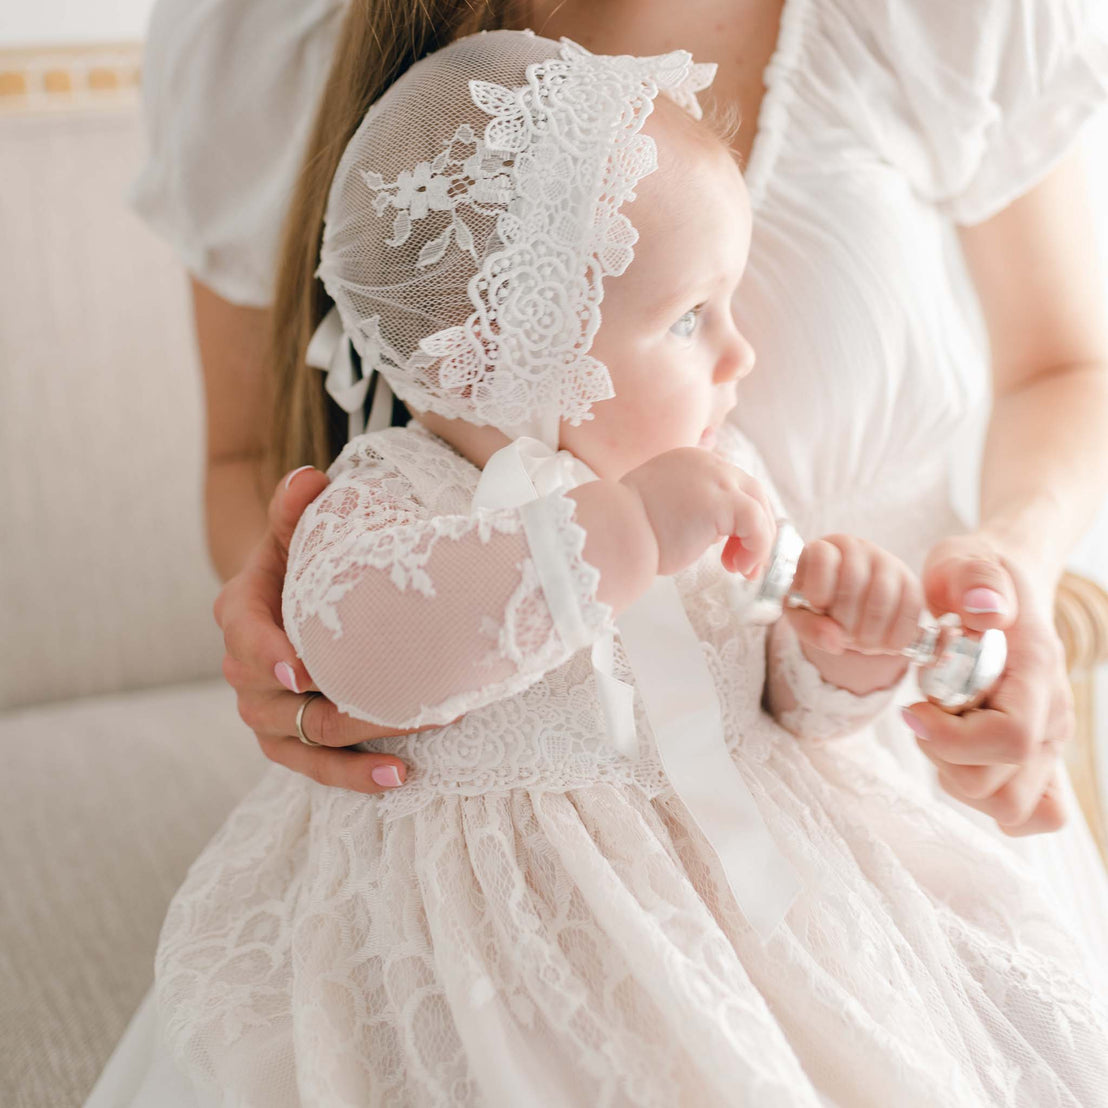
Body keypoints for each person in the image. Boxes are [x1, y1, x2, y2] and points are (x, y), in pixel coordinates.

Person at [148, 33, 1108, 1105]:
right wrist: (623, 534)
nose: (741, 356)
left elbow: (765, 687)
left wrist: (837, 653)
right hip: (504, 923)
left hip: (765, 891)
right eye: (693, 318)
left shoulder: (711, 479)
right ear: (510, 344)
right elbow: (373, 646)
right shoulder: (396, 495)